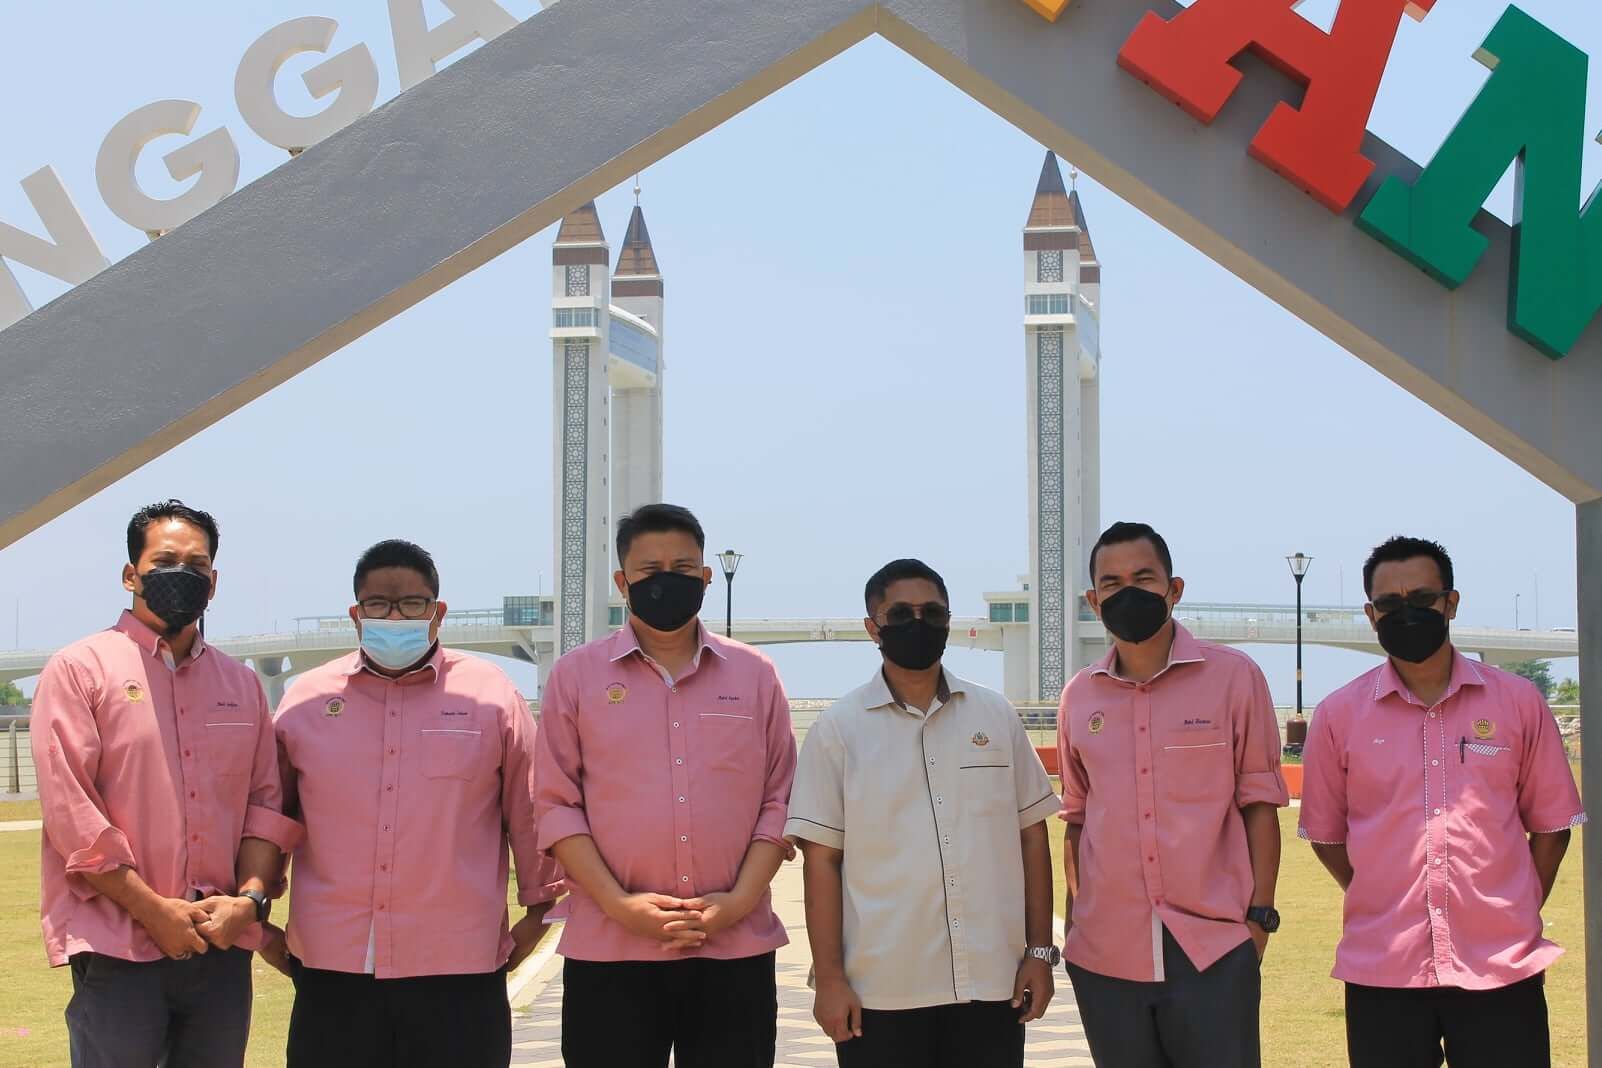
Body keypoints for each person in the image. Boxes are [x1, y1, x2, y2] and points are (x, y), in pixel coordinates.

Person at [263, 539, 561, 1068]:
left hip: (458, 968)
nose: (395, 617)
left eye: (412, 604)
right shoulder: (306, 700)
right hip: (333, 968)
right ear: (356, 614)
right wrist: (257, 917)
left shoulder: (490, 695)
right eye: (379, 604)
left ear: (438, 612)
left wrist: (538, 913)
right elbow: (271, 816)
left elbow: (530, 808)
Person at [31, 500, 301, 1068]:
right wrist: (153, 910)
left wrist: (249, 902)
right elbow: (71, 812)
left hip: (219, 942)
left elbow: (264, 806)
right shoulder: (81, 670)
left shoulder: (240, 685)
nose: (182, 574)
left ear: (214, 582)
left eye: (196, 565)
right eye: (164, 562)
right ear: (130, 574)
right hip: (118, 942)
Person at [1298, 536, 1586, 1068]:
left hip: (1501, 964)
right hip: (1383, 966)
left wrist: (1517, 904)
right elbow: (1326, 835)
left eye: (1422, 599)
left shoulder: (1518, 703)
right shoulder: (1339, 715)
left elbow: (1552, 827)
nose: (1405, 613)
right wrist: (1379, 892)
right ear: (1371, 615)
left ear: (1451, 603)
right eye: (1389, 604)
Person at [534, 503, 796, 1068]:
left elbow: (779, 800)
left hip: (734, 948)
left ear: (706, 577)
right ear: (622, 582)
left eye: (682, 568)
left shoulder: (755, 675)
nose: (667, 581)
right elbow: (557, 805)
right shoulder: (576, 677)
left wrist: (737, 902)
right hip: (611, 948)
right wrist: (620, 905)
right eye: (650, 571)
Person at [786, 558, 1060, 1068]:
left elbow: (1031, 836)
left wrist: (1039, 953)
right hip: (881, 991)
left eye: (932, 613)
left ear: (948, 620)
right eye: (901, 614)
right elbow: (821, 861)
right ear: (873, 628)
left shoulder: (995, 716)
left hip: (992, 983)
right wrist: (830, 980)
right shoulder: (838, 731)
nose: (919, 623)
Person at [1057, 521, 1288, 1068]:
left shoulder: (1233, 678)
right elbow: (1077, 816)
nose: (1128, 593)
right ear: (1094, 601)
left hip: (1213, 949)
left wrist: (1259, 920)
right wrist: (1077, 922)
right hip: (1106, 954)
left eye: (1143, 578)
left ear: (1174, 589)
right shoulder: (1080, 697)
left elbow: (1260, 803)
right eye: (1111, 583)